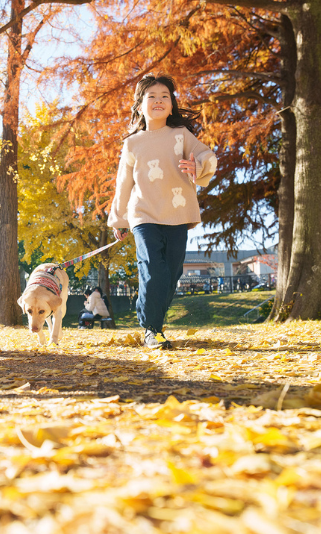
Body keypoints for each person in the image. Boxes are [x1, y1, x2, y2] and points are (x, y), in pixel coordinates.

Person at [108, 74, 218, 349]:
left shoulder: (180, 135)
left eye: (164, 97)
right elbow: (123, 184)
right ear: (140, 106)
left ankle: (151, 315)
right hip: (144, 214)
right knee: (153, 268)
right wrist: (119, 219)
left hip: (177, 213)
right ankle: (151, 329)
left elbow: (207, 156)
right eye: (151, 97)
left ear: (171, 106)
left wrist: (199, 167)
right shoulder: (132, 143)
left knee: (172, 272)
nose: (158, 101)